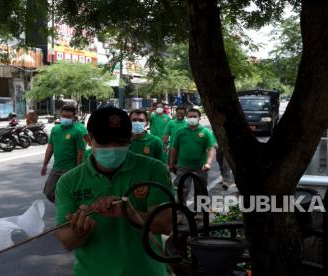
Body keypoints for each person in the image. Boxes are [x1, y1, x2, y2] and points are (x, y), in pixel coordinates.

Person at [55, 107, 173, 276]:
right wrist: (79, 232)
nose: (112, 147)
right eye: (104, 141)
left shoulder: (154, 170)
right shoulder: (69, 181)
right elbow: (67, 241)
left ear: (130, 139)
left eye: (120, 141)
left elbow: (166, 224)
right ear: (88, 140)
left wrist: (129, 212)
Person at [41, 105, 86, 203]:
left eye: (68, 116)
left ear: (74, 117)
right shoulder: (55, 130)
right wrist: (44, 164)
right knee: (49, 192)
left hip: (71, 169)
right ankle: (64, 206)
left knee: (71, 192)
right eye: (63, 116)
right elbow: (50, 147)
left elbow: (81, 153)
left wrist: (78, 171)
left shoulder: (78, 132)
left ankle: (67, 209)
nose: (65, 118)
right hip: (56, 168)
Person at [169, 108, 216, 200]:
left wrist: (208, 163)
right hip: (183, 165)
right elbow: (174, 148)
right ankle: (181, 210)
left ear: (199, 118)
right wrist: (171, 163)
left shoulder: (206, 132)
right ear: (186, 117)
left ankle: (200, 211)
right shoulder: (180, 131)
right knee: (182, 188)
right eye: (190, 116)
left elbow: (211, 149)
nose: (192, 118)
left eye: (195, 116)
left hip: (201, 166)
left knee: (200, 189)